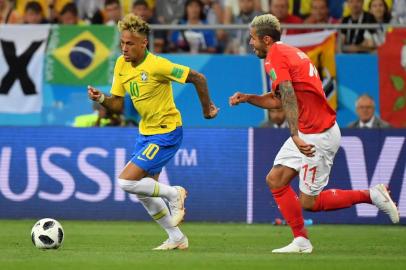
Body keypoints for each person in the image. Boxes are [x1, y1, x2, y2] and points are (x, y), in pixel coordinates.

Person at [229, 14, 399, 253]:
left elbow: (287, 95)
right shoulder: (288, 52)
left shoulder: (274, 57)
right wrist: (248, 98)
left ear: (266, 39)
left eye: (252, 39)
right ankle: (301, 240)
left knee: (310, 202)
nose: (250, 43)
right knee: (275, 179)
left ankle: (372, 195)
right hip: (311, 129)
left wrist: (295, 134)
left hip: (317, 134)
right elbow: (278, 100)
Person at [88, 14, 219, 250]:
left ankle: (174, 193)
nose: (124, 48)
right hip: (145, 133)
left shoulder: (158, 65)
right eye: (122, 43)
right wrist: (102, 99)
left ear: (143, 43)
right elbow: (117, 105)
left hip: (167, 131)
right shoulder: (121, 64)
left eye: (130, 43)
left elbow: (198, 77)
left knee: (125, 182)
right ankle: (177, 238)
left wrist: (207, 109)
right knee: (144, 192)